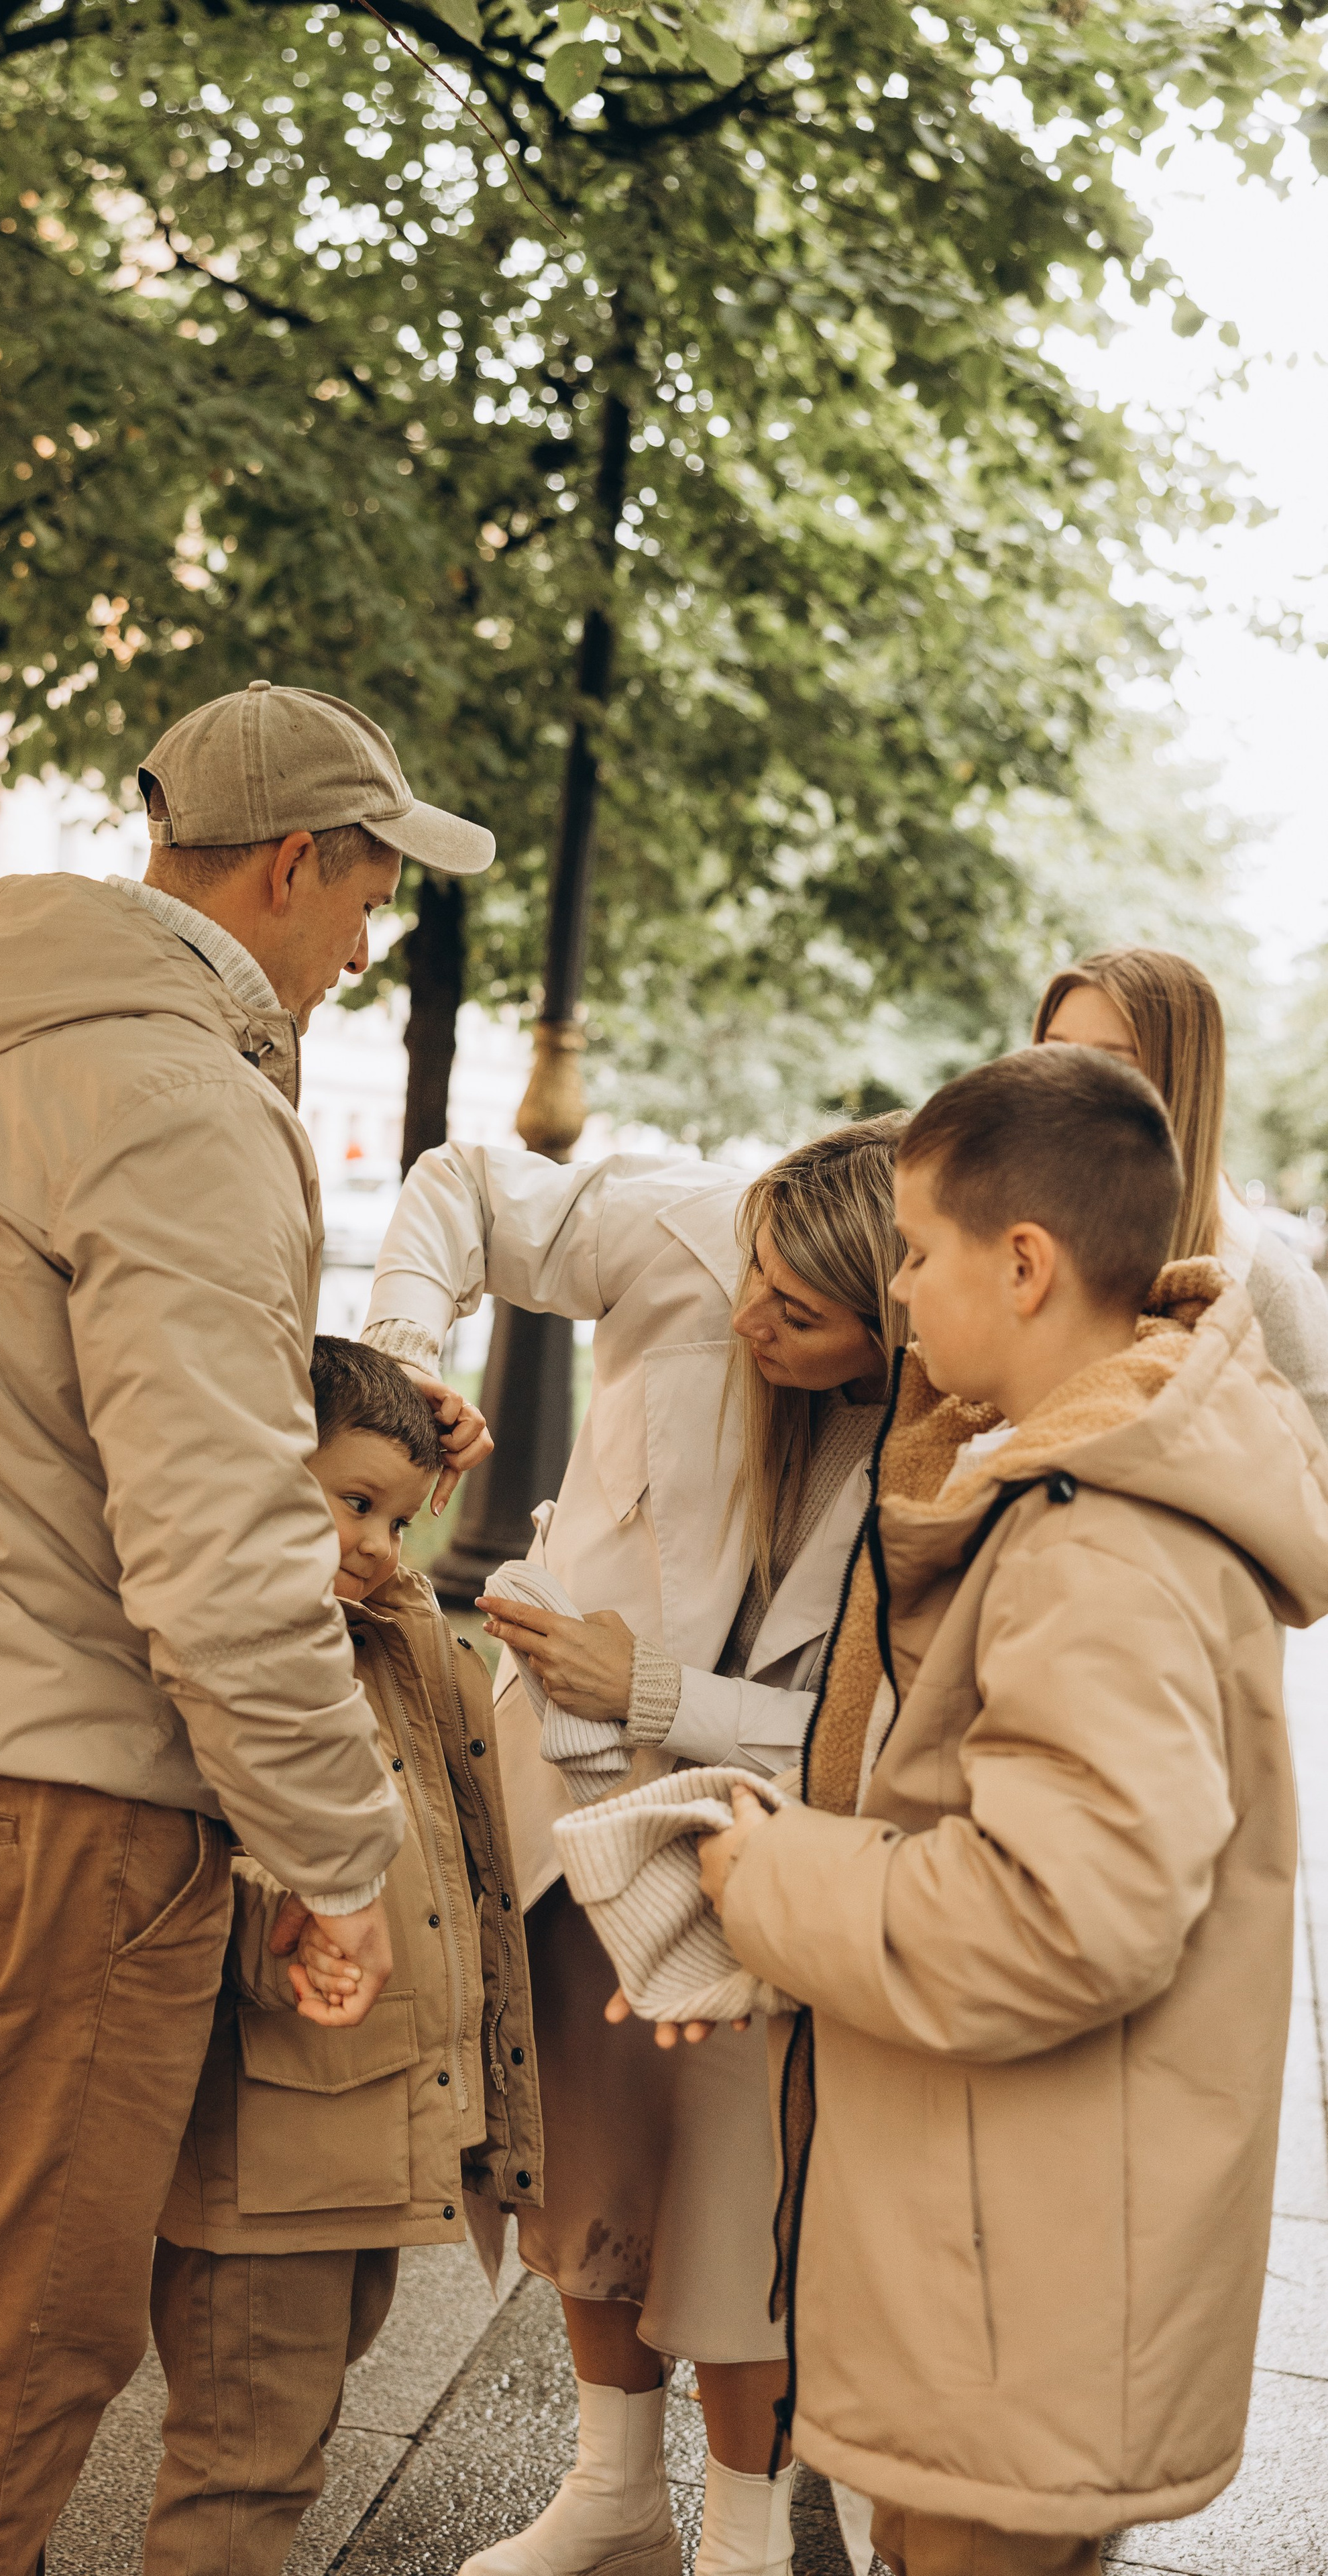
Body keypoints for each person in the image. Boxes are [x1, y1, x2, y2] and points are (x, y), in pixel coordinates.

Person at [0, 681, 495, 2576]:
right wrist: (335, 1845)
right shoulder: (181, 1096)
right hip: (58, 1793)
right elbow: (214, 1540)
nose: (368, 948)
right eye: (368, 900)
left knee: (5, 2325)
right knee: (22, 2352)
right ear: (294, 862)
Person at [700, 1044, 1328, 2576]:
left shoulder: (1091, 1541)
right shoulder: (1088, 1497)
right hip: (1016, 2247)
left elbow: (1061, 1915)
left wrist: (770, 1878)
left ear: (1024, 1263)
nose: (899, 1292)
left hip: (1014, 2280)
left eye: (916, 1251)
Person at [363, 1118, 907, 2576]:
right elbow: (460, 1188)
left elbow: (875, 1738)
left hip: (765, 1850)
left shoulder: (940, 1426)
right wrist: (407, 1360)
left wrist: (653, 1695)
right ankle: (613, 2496)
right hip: (565, 1803)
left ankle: (742, 2536)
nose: (746, 1315)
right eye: (753, 1275)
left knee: (739, 2203)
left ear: (890, 1329)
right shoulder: (689, 1224)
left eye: (795, 1315)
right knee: (574, 2161)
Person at [147, 1338, 542, 2573]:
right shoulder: (248, 1666)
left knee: (291, 2434)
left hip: (357, 2131)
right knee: (245, 2463)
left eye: (405, 1519)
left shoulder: (382, 1639)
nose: (380, 1543)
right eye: (350, 1502)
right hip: (270, 2150)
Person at [1035, 943, 1328, 1438]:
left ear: (1180, 1082)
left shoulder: (1262, 1283)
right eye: (1054, 1053)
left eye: (1110, 1065)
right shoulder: (1022, 1229)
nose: (1065, 1086)